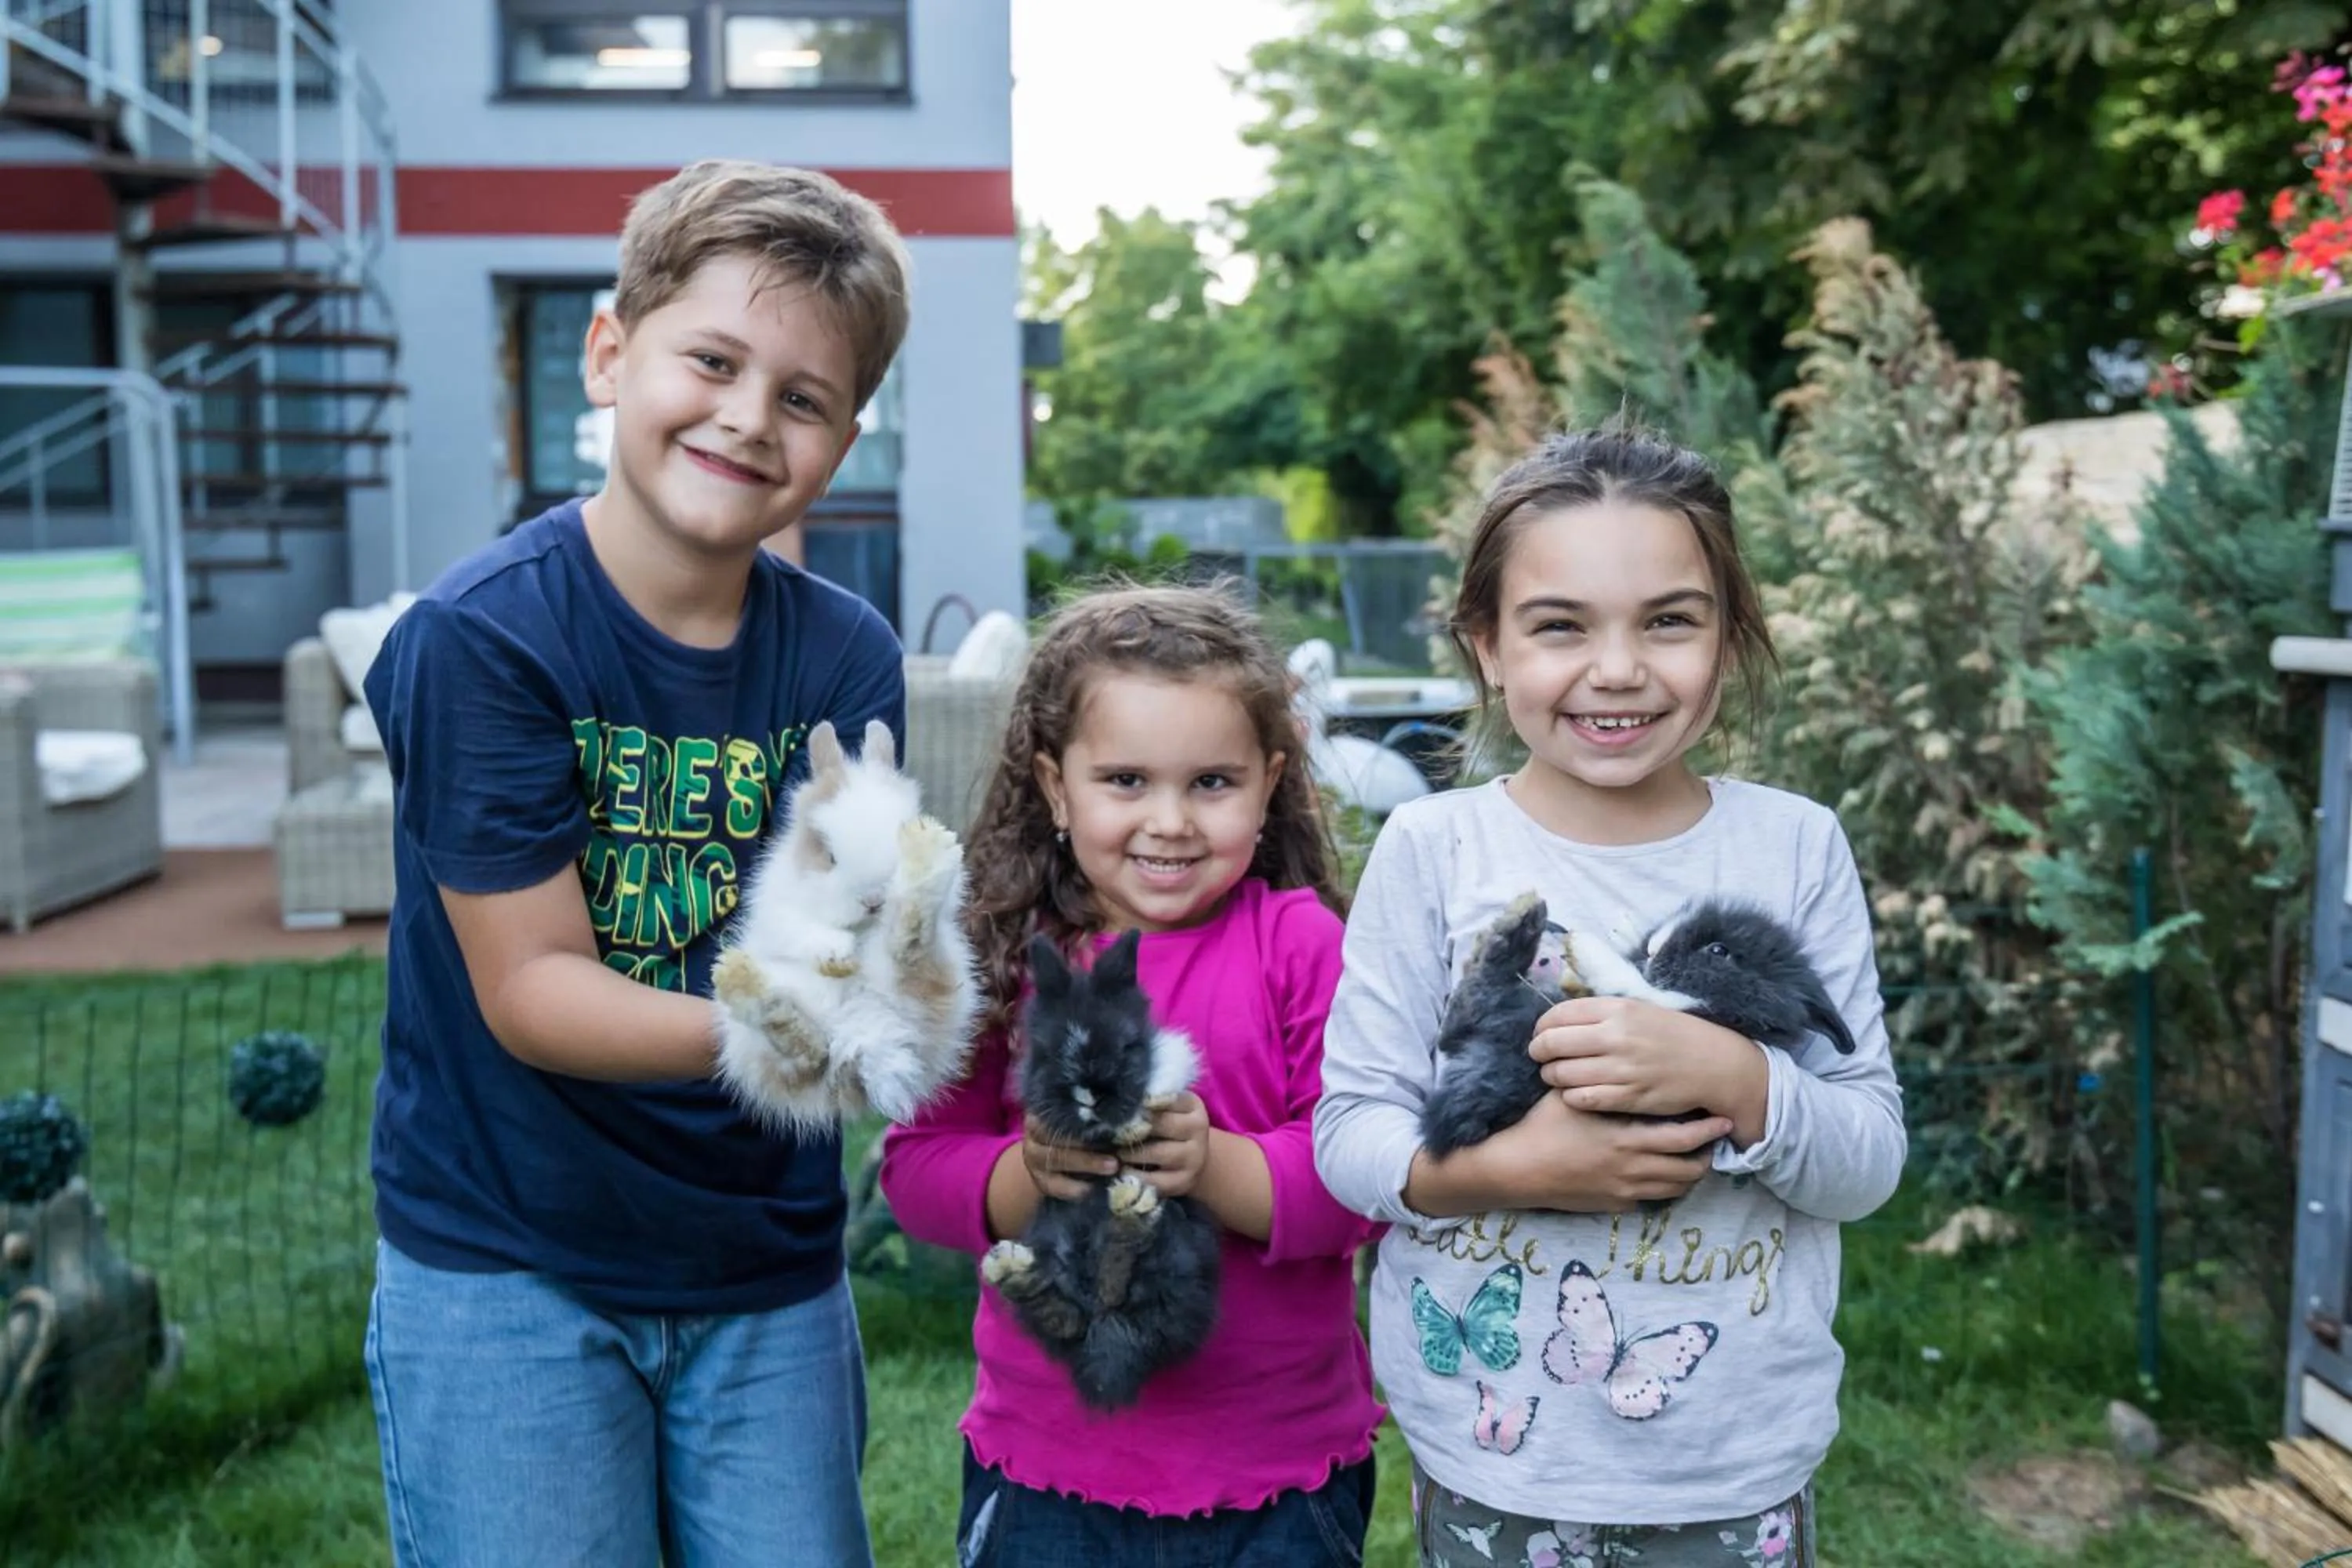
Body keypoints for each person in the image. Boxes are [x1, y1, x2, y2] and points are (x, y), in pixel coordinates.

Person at [359, 159, 910, 1567]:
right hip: (510, 1260)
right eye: (712, 361)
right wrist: (794, 1030)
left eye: (804, 397)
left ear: (845, 438)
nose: (746, 417)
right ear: (612, 355)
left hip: (764, 1265)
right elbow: (533, 986)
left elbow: (854, 919)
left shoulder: (846, 655)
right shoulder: (484, 640)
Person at [1313, 423, 1906, 1566]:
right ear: (1487, 645)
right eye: (1560, 626)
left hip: (1732, 1463)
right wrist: (1509, 1170)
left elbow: (1868, 1158)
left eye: (1670, 620)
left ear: (1730, 639)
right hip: (1498, 1449)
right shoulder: (1432, 848)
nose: (1620, 668)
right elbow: (1351, 1135)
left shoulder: (1794, 847)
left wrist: (1740, 1082)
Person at [879, 583, 1385, 1565]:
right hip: (1049, 1471)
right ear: (1055, 785)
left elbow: (1364, 1174)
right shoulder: (1005, 957)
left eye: (1210, 782)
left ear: (1270, 780)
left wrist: (1217, 1164)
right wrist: (1026, 1173)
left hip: (1276, 1471)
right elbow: (916, 1165)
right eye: (1124, 780)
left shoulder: (1302, 943)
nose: (1170, 820)